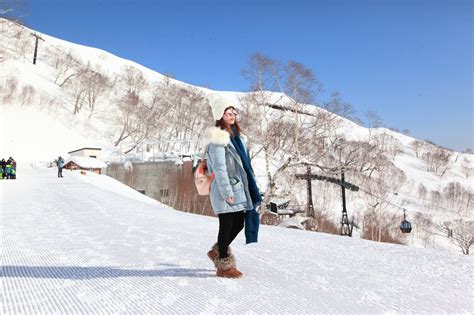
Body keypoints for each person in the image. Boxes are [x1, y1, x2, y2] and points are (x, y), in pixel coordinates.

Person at [201, 95, 262, 279]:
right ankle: (224, 266)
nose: (232, 115)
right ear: (220, 115)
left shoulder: (238, 138)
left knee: (239, 222)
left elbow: (245, 166)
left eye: (234, 112)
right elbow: (219, 168)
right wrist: (227, 192)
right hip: (225, 190)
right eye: (228, 112)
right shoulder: (217, 139)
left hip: (239, 188)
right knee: (227, 225)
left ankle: (218, 252)